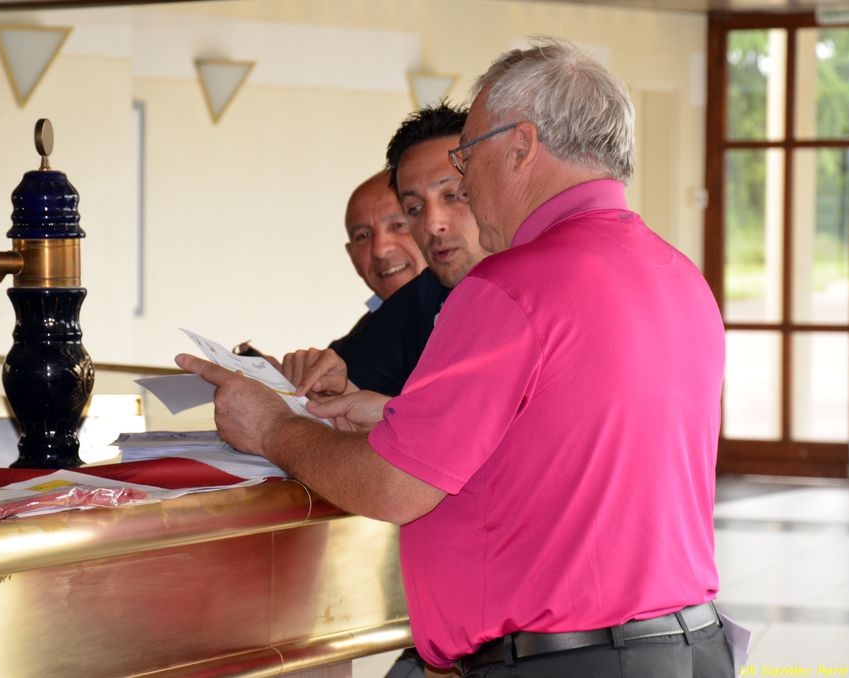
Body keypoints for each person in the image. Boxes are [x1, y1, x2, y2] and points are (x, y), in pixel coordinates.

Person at [178, 37, 734, 677]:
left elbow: (393, 489)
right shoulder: (678, 275)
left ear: (521, 145)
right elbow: (576, 446)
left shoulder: (511, 285)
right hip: (690, 647)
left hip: (569, 661)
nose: (466, 181)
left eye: (467, 155)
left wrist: (273, 428)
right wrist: (394, 417)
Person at [287, 104, 487, 397]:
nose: (432, 224)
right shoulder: (418, 299)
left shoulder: (540, 291)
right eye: (414, 209)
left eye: (453, 195)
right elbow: (343, 387)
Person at [329, 171, 427, 352]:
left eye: (398, 225)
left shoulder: (474, 314)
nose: (380, 250)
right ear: (351, 255)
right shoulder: (345, 356)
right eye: (363, 236)